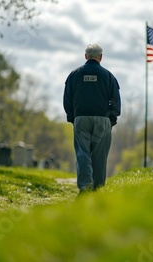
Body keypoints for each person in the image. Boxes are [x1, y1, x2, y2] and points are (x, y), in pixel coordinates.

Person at [63, 44, 121, 193]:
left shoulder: (74, 75)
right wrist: (112, 119)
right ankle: (98, 187)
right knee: (100, 155)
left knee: (82, 152)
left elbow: (67, 99)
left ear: (85, 56)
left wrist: (72, 117)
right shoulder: (108, 76)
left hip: (81, 118)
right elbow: (115, 100)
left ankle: (85, 185)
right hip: (103, 119)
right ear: (101, 57)